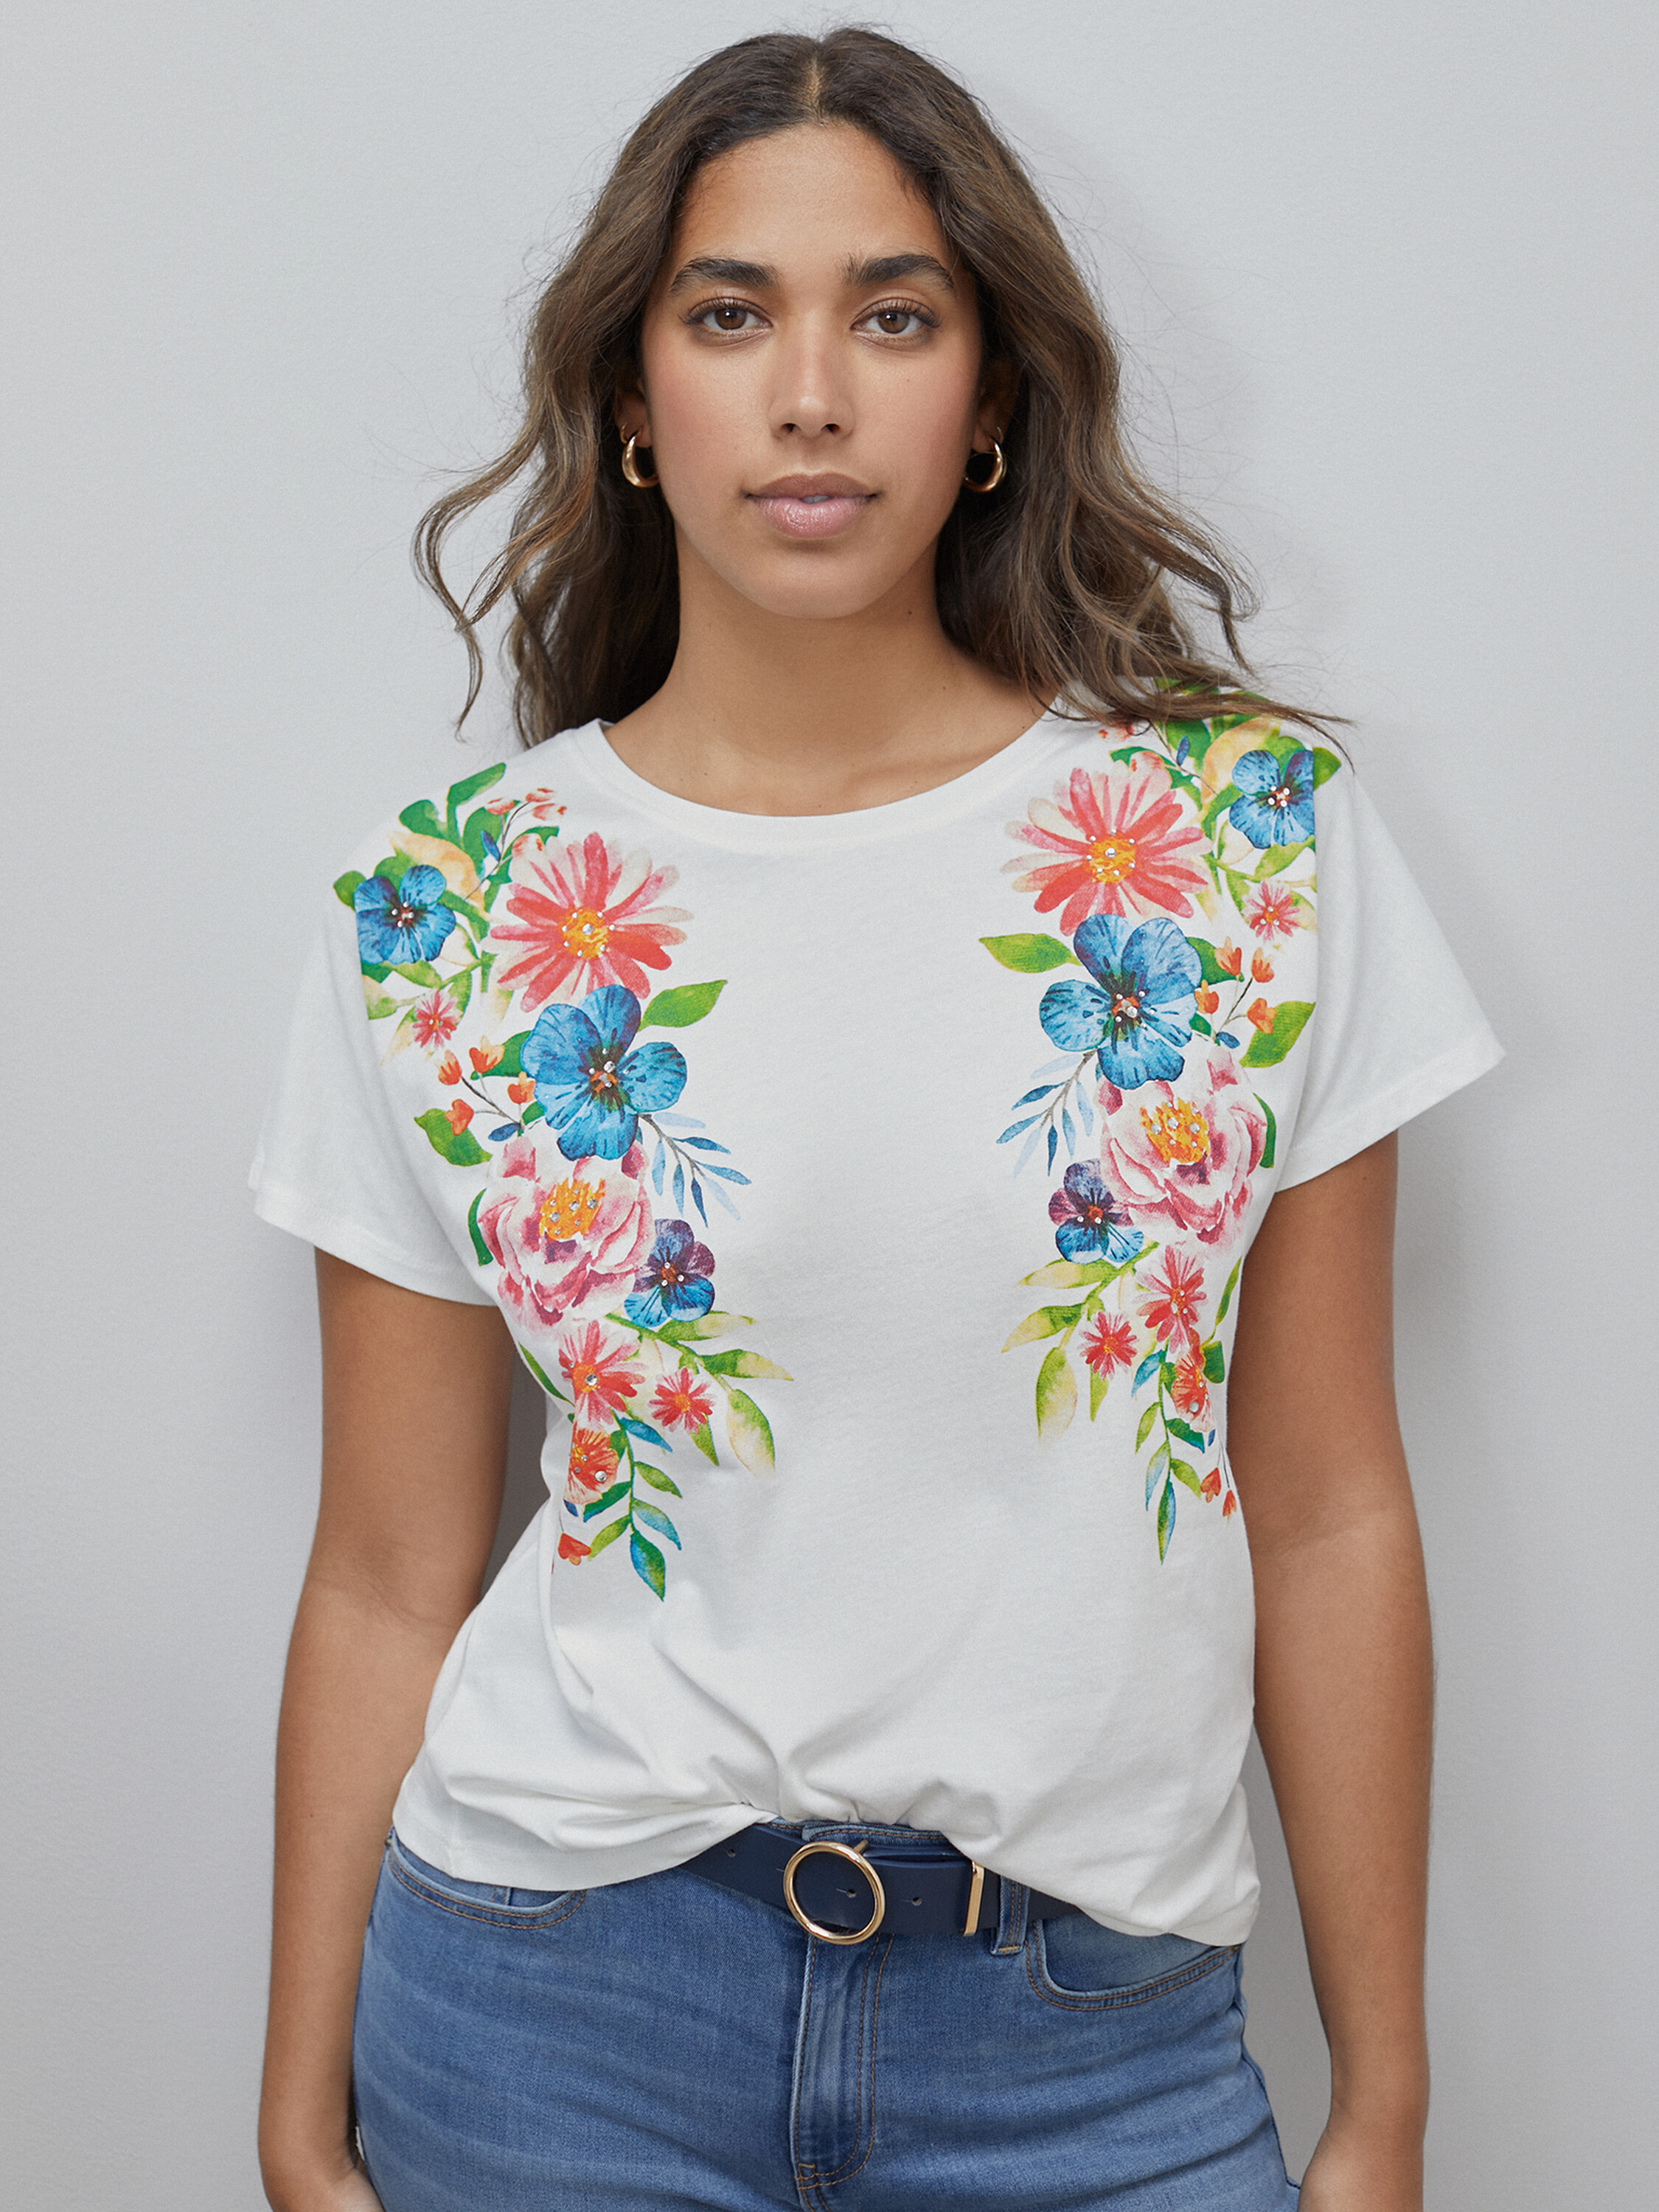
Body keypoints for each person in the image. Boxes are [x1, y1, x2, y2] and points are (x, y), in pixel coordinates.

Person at [251, 28, 1500, 2212]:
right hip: (553, 2026)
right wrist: (294, 2103)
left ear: (992, 395)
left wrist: (1381, 2105)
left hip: (1095, 2049)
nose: (811, 394)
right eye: (731, 314)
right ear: (631, 400)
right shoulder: (445, 905)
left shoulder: (1243, 847)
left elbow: (1323, 1510)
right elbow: (382, 1568)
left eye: (895, 315)